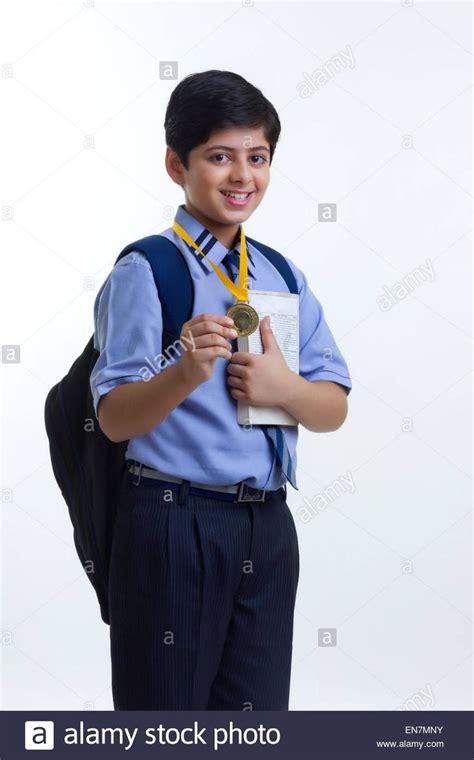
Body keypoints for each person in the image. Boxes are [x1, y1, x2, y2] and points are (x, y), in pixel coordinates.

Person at [90, 69, 352, 711]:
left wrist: (286, 387)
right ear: (177, 165)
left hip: (265, 526)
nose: (242, 176)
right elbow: (114, 419)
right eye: (220, 157)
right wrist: (183, 370)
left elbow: (334, 406)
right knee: (167, 719)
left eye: (257, 157)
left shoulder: (281, 273)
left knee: (257, 723)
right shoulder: (148, 270)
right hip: (172, 521)